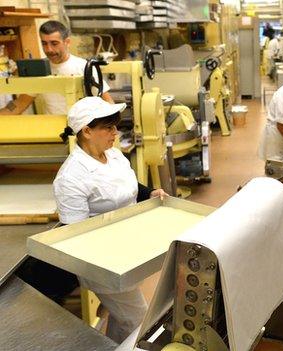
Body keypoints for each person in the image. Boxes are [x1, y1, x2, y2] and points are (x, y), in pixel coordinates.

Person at [53, 96, 167, 343]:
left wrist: (150, 193)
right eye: (108, 127)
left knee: (122, 318)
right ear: (86, 131)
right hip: (102, 262)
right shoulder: (71, 178)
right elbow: (76, 235)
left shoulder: (113, 155)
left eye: (115, 126)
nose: (115, 133)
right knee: (140, 320)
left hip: (129, 249)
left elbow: (127, 187)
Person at [0, 20, 114, 116]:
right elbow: (19, 104)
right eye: (44, 43)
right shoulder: (39, 70)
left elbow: (107, 102)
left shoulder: (84, 67)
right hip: (54, 132)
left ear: (67, 42)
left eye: (54, 43)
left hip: (82, 133)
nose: (49, 49)